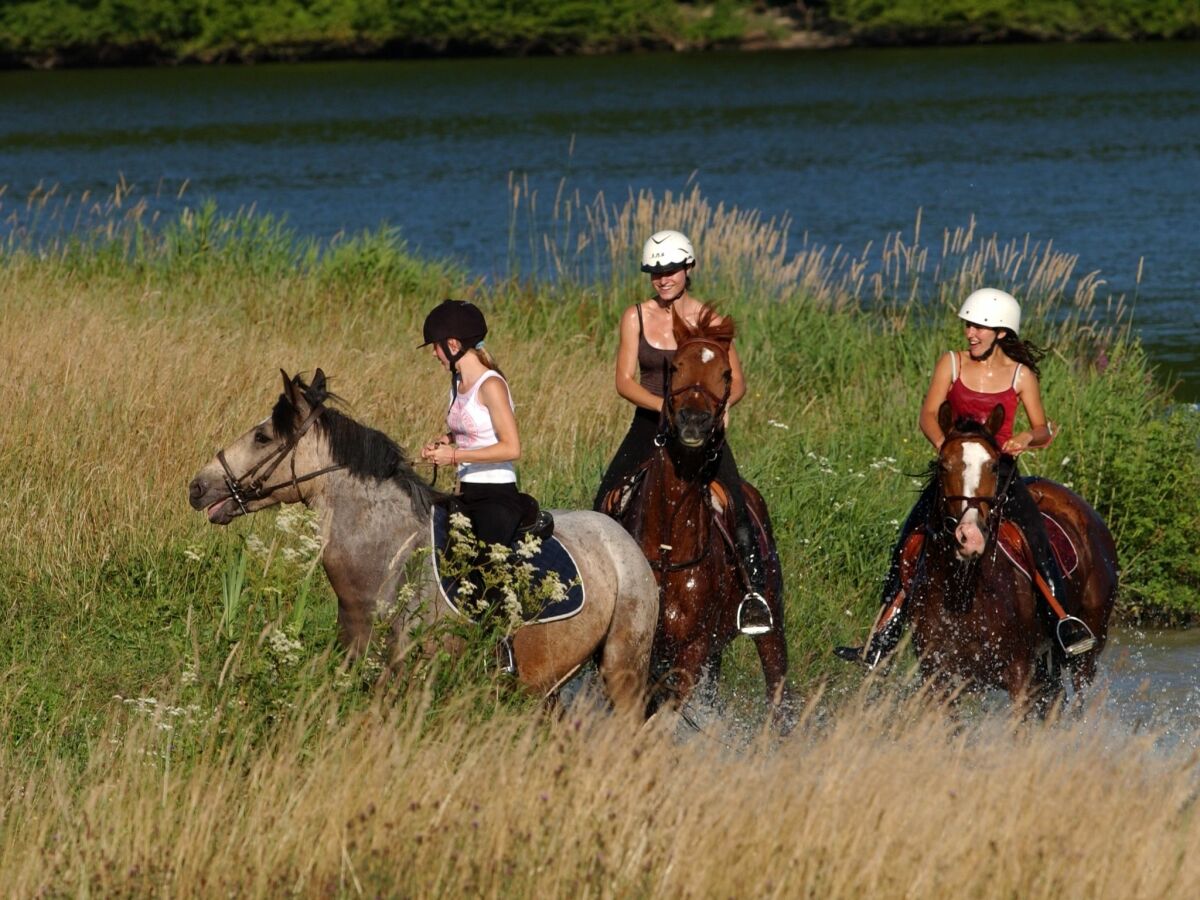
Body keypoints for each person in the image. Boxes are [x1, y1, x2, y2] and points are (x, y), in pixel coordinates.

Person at [836, 287, 1096, 667]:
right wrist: (948, 450)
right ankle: (883, 637)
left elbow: (1041, 428)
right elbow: (928, 414)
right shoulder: (952, 363)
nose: (970, 333)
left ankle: (1064, 624)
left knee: (1038, 544)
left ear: (1002, 333)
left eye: (980, 327)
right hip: (954, 473)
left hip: (999, 475)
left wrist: (1025, 437)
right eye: (968, 325)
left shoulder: (1021, 376)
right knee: (909, 542)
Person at [592, 229, 773, 636]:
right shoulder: (635, 316)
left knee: (736, 503)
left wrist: (722, 407)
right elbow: (624, 381)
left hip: (703, 429)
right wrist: (667, 410)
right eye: (655, 272)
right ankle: (601, 603)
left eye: (671, 269)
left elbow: (737, 380)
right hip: (650, 424)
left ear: (688, 268)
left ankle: (754, 594)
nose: (663, 278)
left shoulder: (712, 321)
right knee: (604, 503)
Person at [419, 298, 523, 551]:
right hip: (464, 490)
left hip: (495, 495)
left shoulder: (491, 385)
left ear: (453, 344)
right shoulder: (457, 383)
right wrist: (445, 441)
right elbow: (475, 428)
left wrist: (454, 456)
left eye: (436, 346)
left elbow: (512, 448)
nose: (434, 353)